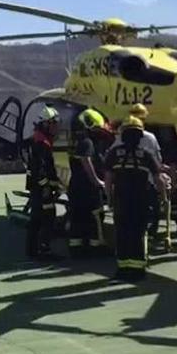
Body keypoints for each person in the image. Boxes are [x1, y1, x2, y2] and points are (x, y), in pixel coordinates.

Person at [104, 116, 162, 280]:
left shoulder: (114, 153)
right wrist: (163, 196)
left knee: (122, 233)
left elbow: (108, 179)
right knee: (138, 232)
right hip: (140, 200)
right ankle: (137, 268)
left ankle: (123, 268)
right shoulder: (146, 155)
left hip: (121, 200)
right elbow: (158, 179)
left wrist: (109, 197)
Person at [26, 106, 65, 258]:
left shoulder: (37, 139)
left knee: (36, 219)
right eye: (53, 123)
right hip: (42, 189)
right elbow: (41, 169)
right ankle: (44, 250)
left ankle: (32, 251)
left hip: (37, 188)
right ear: (46, 124)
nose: (56, 127)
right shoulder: (42, 143)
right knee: (47, 217)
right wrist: (47, 187)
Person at [67, 109, 106, 256]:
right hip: (88, 189)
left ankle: (76, 248)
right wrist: (97, 181)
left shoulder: (75, 142)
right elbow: (86, 160)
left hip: (75, 186)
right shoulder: (87, 143)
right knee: (95, 216)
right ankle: (96, 246)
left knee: (77, 217)